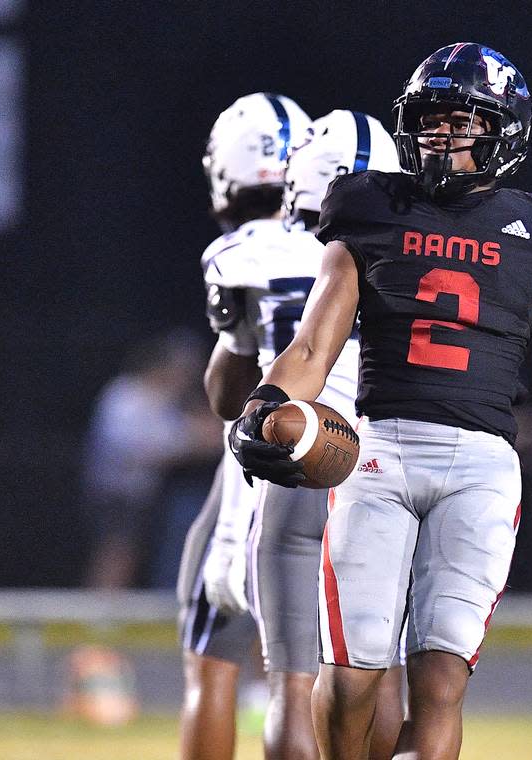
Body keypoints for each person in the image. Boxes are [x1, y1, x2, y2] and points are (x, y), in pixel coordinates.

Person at [229, 44, 532, 760]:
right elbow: (313, 347)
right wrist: (263, 403)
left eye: (460, 120)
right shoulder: (370, 207)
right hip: (380, 452)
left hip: (482, 467)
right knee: (354, 670)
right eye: (429, 119)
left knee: (441, 680)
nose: (439, 135)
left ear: (501, 132)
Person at [205, 108, 406, 760]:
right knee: (380, 681)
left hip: (300, 458)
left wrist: (239, 340)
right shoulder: (417, 252)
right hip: (390, 474)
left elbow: (227, 397)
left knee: (293, 685)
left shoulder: (247, 253)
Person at [175, 92, 309, 760]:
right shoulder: (355, 247)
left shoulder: (235, 252)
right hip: (364, 464)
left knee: (214, 650)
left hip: (264, 470)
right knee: (352, 674)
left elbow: (226, 395)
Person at [82, 329, 220, 590]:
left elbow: (196, 431)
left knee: (135, 553)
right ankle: (101, 612)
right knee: (117, 552)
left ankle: (116, 607)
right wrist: (196, 440)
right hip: (117, 492)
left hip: (147, 492)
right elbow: (140, 445)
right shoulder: (127, 395)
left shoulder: (164, 399)